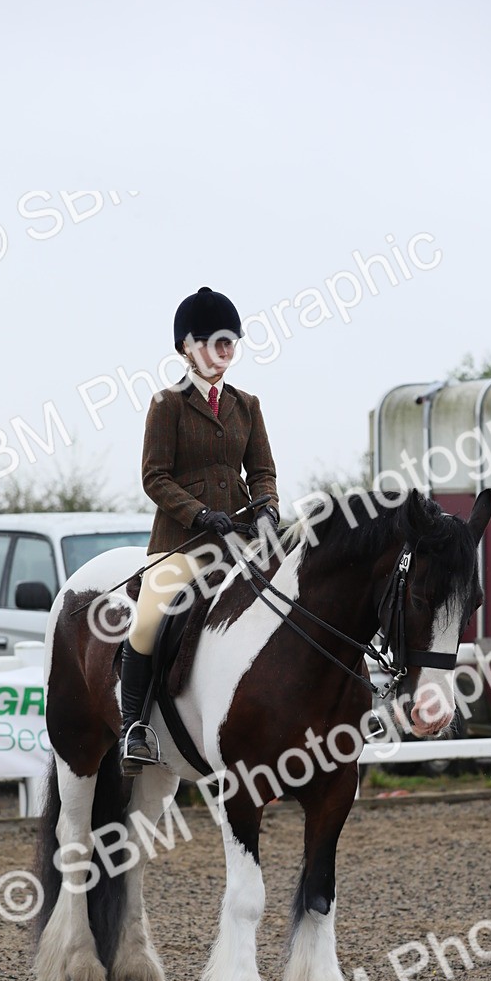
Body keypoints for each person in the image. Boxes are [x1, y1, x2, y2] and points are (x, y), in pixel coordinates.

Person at [120, 286, 280, 772]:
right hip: (181, 544)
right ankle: (135, 726)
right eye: (213, 341)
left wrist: (268, 508)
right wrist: (198, 514)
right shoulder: (166, 404)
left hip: (239, 543)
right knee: (148, 619)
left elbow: (263, 472)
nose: (224, 351)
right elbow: (154, 477)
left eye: (230, 341)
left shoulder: (247, 404)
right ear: (187, 348)